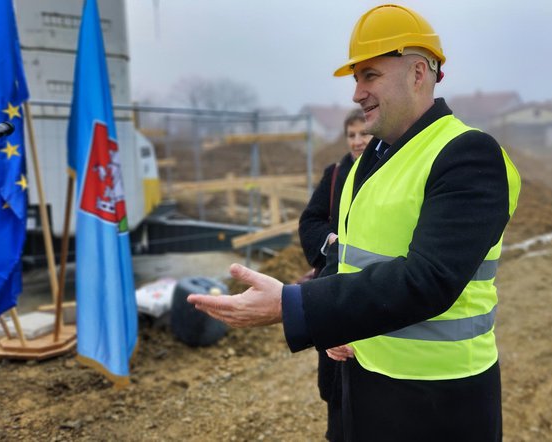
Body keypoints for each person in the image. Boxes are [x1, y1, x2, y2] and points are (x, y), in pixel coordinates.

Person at [188, 4, 520, 441]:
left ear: (418, 73)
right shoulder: (372, 159)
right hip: (363, 378)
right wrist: (337, 325)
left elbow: (430, 279)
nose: (356, 93)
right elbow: (348, 255)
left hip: (439, 400)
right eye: (356, 78)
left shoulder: (467, 155)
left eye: (370, 75)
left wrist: (296, 306)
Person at [298, 108, 371, 441]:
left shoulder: (392, 172)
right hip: (334, 289)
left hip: (374, 294)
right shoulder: (337, 173)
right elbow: (310, 220)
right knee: (336, 378)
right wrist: (331, 242)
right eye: (351, 135)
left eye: (363, 134)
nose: (357, 142)